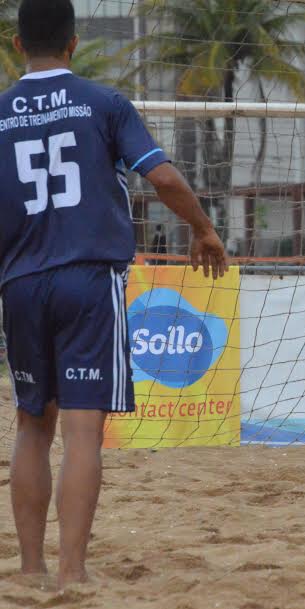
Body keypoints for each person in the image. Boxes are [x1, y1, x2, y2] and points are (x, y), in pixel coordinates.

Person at [0, 0, 228, 589]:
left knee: (31, 424)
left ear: (19, 45)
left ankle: (28, 568)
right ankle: (72, 572)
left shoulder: (0, 113)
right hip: (88, 277)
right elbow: (165, 178)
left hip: (20, 282)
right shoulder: (103, 103)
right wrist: (203, 231)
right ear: (74, 44)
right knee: (81, 429)